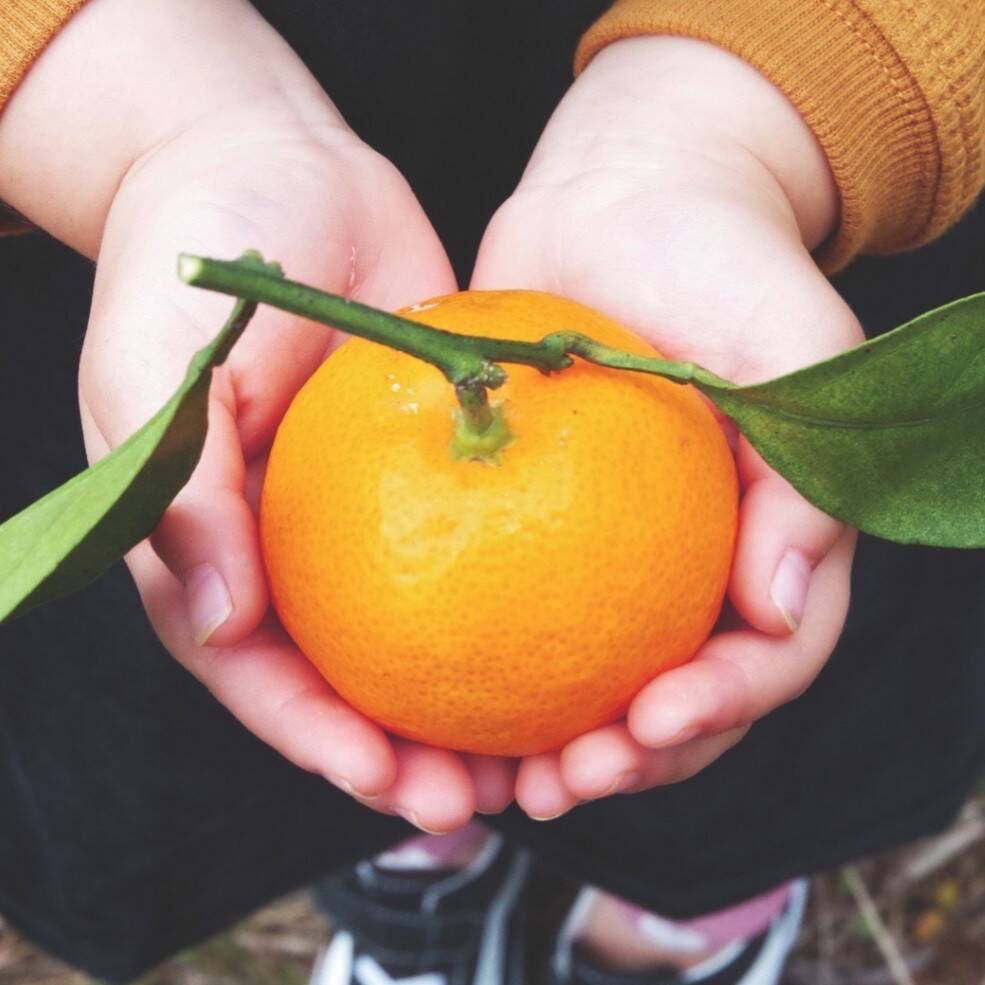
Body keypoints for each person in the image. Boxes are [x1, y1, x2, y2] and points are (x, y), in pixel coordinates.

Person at [1, 1, 983, 983]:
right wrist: (155, 132)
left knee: (735, 723)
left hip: (770, 145)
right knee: (306, 718)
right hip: (107, 116)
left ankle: (695, 906)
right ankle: (413, 861)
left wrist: (744, 128)